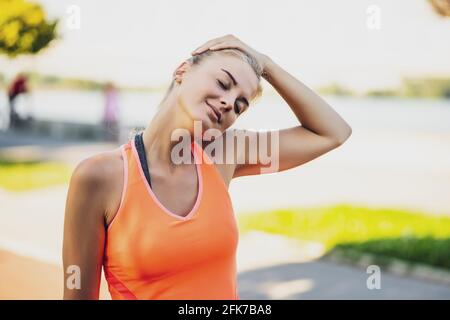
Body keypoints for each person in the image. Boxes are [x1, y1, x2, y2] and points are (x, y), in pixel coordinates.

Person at [62, 35, 352, 300]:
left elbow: (332, 133)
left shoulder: (223, 155)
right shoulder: (100, 177)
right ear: (182, 72)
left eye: (241, 105)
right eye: (223, 83)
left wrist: (267, 65)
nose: (229, 103)